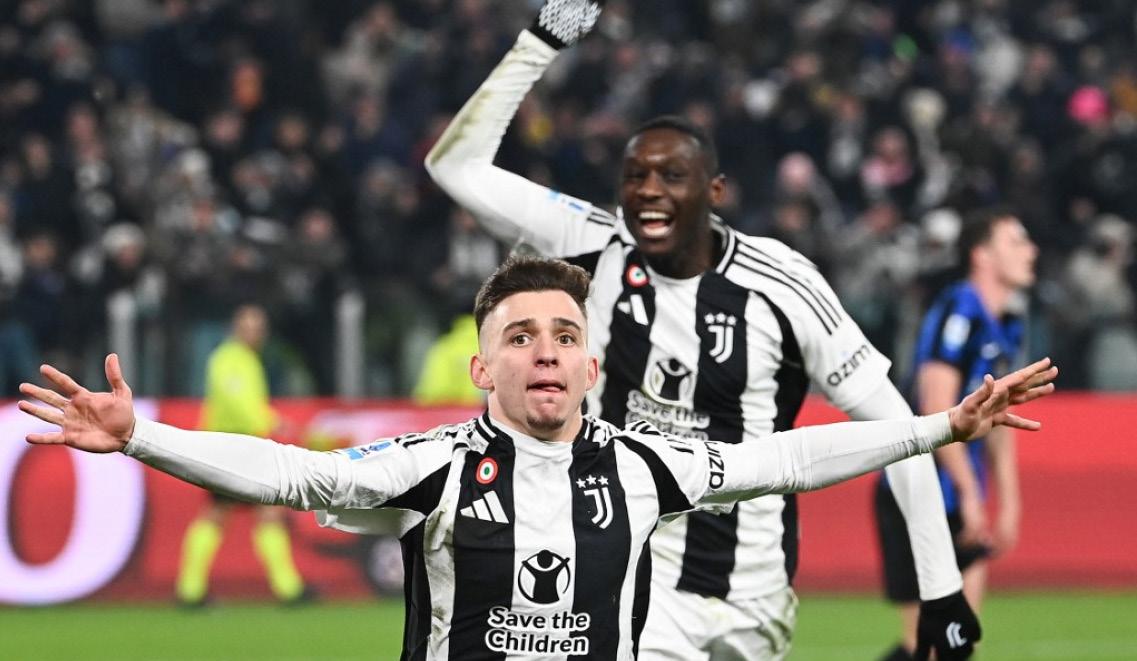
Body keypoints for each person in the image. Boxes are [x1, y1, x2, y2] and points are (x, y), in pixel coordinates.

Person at [19, 256, 1056, 660]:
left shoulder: (644, 465)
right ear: (482, 367)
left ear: (592, 361)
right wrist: (140, 434)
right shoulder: (432, 465)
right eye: (520, 337)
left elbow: (786, 459)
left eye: (564, 334)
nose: (546, 351)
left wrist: (940, 427)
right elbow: (296, 475)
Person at [425, 3, 979, 658]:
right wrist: (540, 42)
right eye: (634, 177)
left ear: (714, 191)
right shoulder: (592, 243)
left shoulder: (780, 284)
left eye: (671, 176)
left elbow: (898, 433)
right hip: (636, 575)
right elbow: (454, 167)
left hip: (754, 591)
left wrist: (941, 589)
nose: (649, 191)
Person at [875, 208, 1037, 660]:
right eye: (1016, 242)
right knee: (927, 647)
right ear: (981, 254)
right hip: (916, 486)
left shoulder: (1008, 323)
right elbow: (936, 406)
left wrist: (1009, 502)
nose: (1030, 251)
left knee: (958, 645)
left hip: (960, 495)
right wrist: (969, 492)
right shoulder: (958, 309)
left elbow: (1000, 421)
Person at [175, 304, 310, 606]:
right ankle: (287, 589)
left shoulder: (245, 360)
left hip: (238, 446)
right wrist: (272, 421)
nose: (254, 334)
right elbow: (238, 402)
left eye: (258, 328)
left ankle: (192, 589)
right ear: (236, 329)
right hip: (229, 446)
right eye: (249, 328)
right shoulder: (227, 360)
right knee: (244, 512)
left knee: (241, 512)